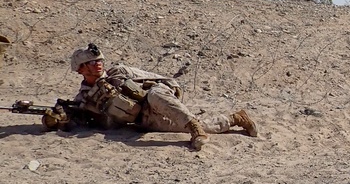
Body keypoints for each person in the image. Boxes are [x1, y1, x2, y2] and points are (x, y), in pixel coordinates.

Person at [69, 43, 258, 150]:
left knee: (155, 94)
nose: (98, 64)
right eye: (91, 63)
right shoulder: (84, 98)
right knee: (205, 126)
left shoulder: (119, 72)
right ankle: (236, 118)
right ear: (81, 69)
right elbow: (77, 121)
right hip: (144, 119)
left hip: (159, 99)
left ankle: (195, 129)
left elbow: (159, 80)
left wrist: (171, 92)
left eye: (99, 60)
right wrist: (56, 120)